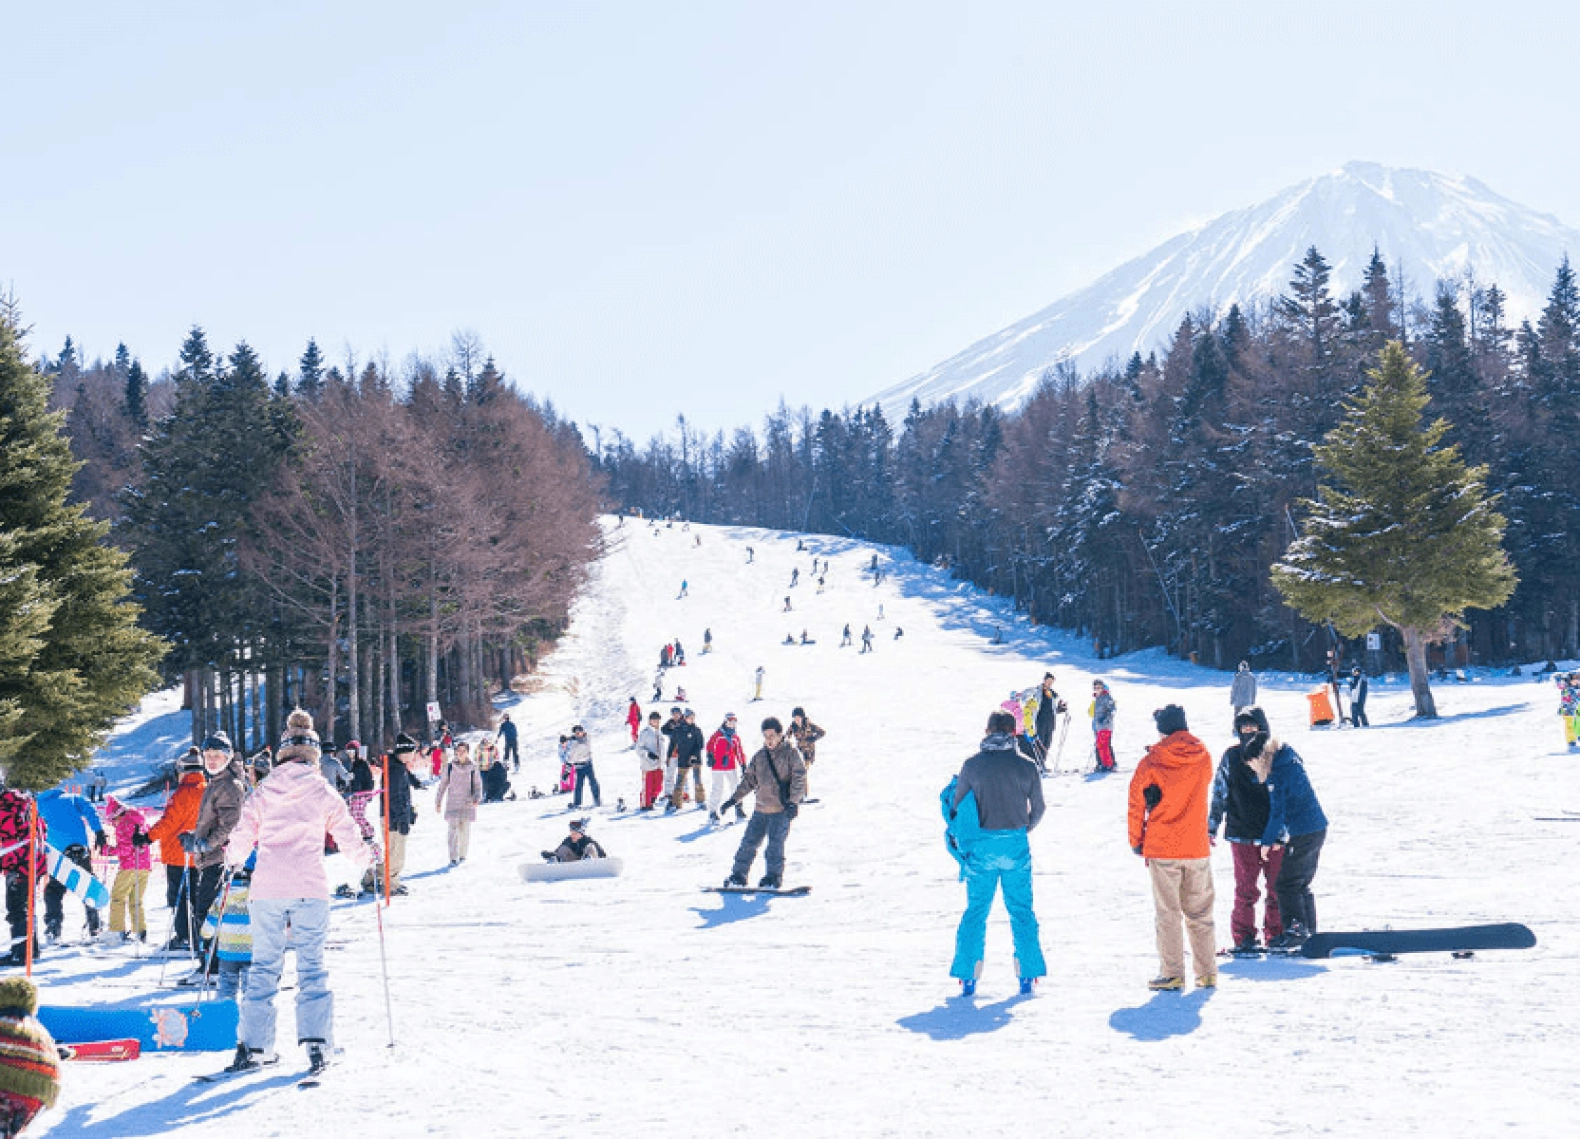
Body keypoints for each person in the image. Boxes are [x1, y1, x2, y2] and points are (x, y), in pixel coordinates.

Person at [222, 707, 373, 1076]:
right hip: (309, 887)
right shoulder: (321, 788)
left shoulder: (264, 789)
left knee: (263, 966)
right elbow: (347, 831)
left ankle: (255, 1046)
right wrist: (366, 858)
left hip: (267, 889)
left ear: (283, 754)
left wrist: (233, 860)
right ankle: (318, 1045)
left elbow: (243, 831)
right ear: (313, 756)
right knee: (312, 966)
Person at [943, 710, 1046, 996]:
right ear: (1013, 732)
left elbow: (957, 808)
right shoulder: (1026, 766)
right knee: (1021, 910)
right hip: (1015, 844)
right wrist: (1023, 829)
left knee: (976, 911)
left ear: (987, 730)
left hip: (981, 847)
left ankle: (968, 976)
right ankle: (1027, 974)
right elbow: (1039, 808)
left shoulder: (972, 766)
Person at [1128, 704, 1217, 991]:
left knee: (1168, 912)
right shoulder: (1203, 756)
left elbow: (1135, 804)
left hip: (1163, 845)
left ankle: (1172, 972)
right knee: (1200, 913)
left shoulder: (1153, 761)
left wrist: (1136, 840)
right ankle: (1207, 973)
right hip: (1197, 844)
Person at [1242, 705, 1328, 950]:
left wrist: (1267, 843)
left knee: (1286, 884)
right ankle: (1309, 930)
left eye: (1254, 766)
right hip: (1316, 828)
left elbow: (1278, 812)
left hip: (1304, 831)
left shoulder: (1278, 772)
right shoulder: (1286, 758)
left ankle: (1296, 929)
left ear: (1260, 758)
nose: (1256, 773)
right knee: (1300, 883)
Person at [1210, 709, 1284, 954]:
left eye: (1253, 727)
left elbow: (1287, 794)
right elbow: (1220, 791)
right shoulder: (1231, 757)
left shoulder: (1276, 753)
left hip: (1273, 835)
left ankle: (1276, 934)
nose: (1249, 732)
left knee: (1276, 888)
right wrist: (1212, 825)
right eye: (1244, 728)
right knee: (1245, 890)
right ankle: (1244, 937)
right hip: (1241, 833)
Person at [178, 732, 247, 978]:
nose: (212, 760)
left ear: (227, 757)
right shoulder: (216, 783)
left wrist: (205, 844)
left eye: (217, 756)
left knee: (207, 911)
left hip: (221, 859)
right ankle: (210, 963)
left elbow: (230, 824)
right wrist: (195, 837)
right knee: (204, 910)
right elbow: (213, 821)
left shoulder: (229, 785)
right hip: (210, 858)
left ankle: (213, 965)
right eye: (208, 756)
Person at [720, 717, 807, 890]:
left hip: (781, 811)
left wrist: (793, 802)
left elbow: (800, 777)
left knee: (774, 847)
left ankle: (772, 878)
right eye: (765, 736)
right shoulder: (760, 757)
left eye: (772, 735)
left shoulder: (790, 754)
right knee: (747, 845)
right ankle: (738, 876)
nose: (769, 740)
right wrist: (733, 799)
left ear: (780, 735)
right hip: (760, 810)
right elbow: (748, 780)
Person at [146, 748, 207, 952]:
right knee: (198, 897)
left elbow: (168, 822)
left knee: (179, 898)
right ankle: (198, 934)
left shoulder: (182, 793)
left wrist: (147, 837)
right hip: (200, 852)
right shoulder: (207, 790)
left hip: (178, 853)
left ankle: (183, 935)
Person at [35, 785, 106, 943]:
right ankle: (95, 924)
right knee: (87, 885)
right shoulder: (73, 798)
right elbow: (90, 810)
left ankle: (53, 926)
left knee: (54, 890)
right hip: (80, 847)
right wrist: (99, 831)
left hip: (57, 852)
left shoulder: (39, 803)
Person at [0, 784, 47, 967]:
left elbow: (10, 842)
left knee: (17, 908)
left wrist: (7, 864)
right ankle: (30, 950)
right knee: (27, 906)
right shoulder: (23, 802)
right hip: (34, 861)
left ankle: (20, 953)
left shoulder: (5, 809)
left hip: (21, 865)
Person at [103, 796, 152, 943]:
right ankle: (140, 930)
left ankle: (117, 930)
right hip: (144, 866)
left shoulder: (124, 824)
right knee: (136, 900)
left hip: (129, 866)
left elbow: (125, 849)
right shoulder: (139, 820)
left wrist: (108, 850)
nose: (113, 824)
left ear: (119, 814)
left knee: (118, 897)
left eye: (113, 820)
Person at [382, 734, 423, 896]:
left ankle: (385, 880)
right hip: (392, 817)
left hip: (394, 815)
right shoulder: (395, 770)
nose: (414, 756)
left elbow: (405, 777)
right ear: (404, 752)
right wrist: (402, 819)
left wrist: (414, 782)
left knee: (394, 851)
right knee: (395, 853)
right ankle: (390, 885)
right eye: (412, 752)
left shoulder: (398, 766)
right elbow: (394, 797)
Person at [434, 741, 484, 866]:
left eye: (464, 751)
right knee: (452, 831)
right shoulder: (450, 767)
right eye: (459, 751)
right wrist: (438, 801)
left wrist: (477, 798)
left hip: (467, 802)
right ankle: (453, 857)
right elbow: (442, 785)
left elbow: (478, 785)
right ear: (456, 752)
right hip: (453, 803)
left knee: (464, 831)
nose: (461, 753)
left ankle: (462, 855)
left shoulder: (473, 768)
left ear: (467, 752)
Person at [705, 714, 747, 824]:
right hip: (717, 766)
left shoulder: (735, 737)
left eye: (734, 722)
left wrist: (743, 764)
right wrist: (710, 756)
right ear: (725, 722)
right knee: (717, 788)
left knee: (735, 787)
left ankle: (738, 808)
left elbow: (739, 752)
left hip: (730, 766)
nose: (732, 724)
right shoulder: (718, 735)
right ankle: (712, 811)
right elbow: (709, 745)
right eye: (730, 721)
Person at [666, 710, 706, 813]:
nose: (692, 719)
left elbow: (700, 745)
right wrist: (668, 756)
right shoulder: (678, 730)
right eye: (690, 717)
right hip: (683, 759)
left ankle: (700, 801)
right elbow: (672, 744)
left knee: (697, 780)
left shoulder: (696, 730)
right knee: (680, 781)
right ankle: (676, 803)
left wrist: (693, 755)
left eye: (693, 717)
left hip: (695, 759)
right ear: (685, 717)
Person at [565, 725, 601, 809]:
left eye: (579, 732)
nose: (578, 734)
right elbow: (570, 759)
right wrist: (567, 771)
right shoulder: (573, 744)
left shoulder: (587, 739)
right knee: (578, 785)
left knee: (593, 782)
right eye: (576, 733)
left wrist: (570, 738)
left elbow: (583, 737)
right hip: (578, 767)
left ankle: (597, 799)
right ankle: (577, 803)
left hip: (588, 765)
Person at [636, 712, 666, 810]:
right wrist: (648, 754)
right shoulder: (645, 732)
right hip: (648, 765)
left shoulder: (659, 732)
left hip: (659, 765)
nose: (656, 722)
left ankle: (652, 800)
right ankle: (645, 804)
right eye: (654, 720)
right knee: (647, 786)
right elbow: (638, 748)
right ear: (650, 721)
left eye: (657, 720)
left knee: (658, 786)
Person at [1034, 673, 1067, 760]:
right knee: (1039, 743)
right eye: (1048, 681)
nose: (1049, 683)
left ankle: (1043, 763)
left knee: (1047, 744)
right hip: (1040, 721)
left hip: (1050, 722)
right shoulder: (1038, 691)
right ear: (1044, 680)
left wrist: (1061, 708)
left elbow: (1053, 709)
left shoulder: (1053, 694)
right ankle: (1038, 763)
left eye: (1051, 682)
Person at [542, 818, 606, 863]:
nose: (573, 835)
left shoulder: (588, 841)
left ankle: (588, 861)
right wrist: (551, 855)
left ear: (581, 834)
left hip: (589, 864)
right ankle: (554, 864)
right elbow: (558, 852)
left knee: (590, 847)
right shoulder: (568, 840)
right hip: (573, 864)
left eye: (575, 833)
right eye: (571, 833)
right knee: (563, 848)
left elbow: (603, 855)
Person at [1090, 680, 1117, 772]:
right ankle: (1102, 763)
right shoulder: (1097, 698)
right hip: (1098, 726)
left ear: (1102, 688)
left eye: (1099, 688)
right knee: (1099, 745)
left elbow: (1113, 710)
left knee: (1104, 745)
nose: (1097, 690)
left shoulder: (1106, 697)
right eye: (1095, 688)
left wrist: (1105, 719)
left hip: (1106, 726)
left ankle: (1108, 764)